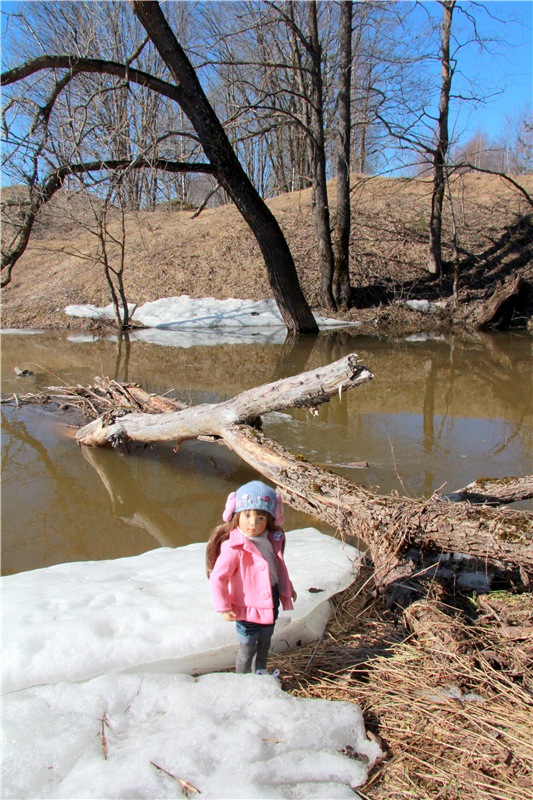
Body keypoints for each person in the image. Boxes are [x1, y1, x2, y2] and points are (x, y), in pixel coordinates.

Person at [206, 480, 297, 676]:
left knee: (265, 643)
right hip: (245, 607)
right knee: (247, 648)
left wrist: (288, 589)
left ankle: (261, 673)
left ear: (270, 519)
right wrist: (223, 606)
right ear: (236, 516)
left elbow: (277, 568)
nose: (253, 523)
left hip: (270, 602)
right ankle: (243, 680)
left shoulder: (272, 540)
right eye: (247, 515)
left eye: (261, 517)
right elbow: (218, 578)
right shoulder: (234, 547)